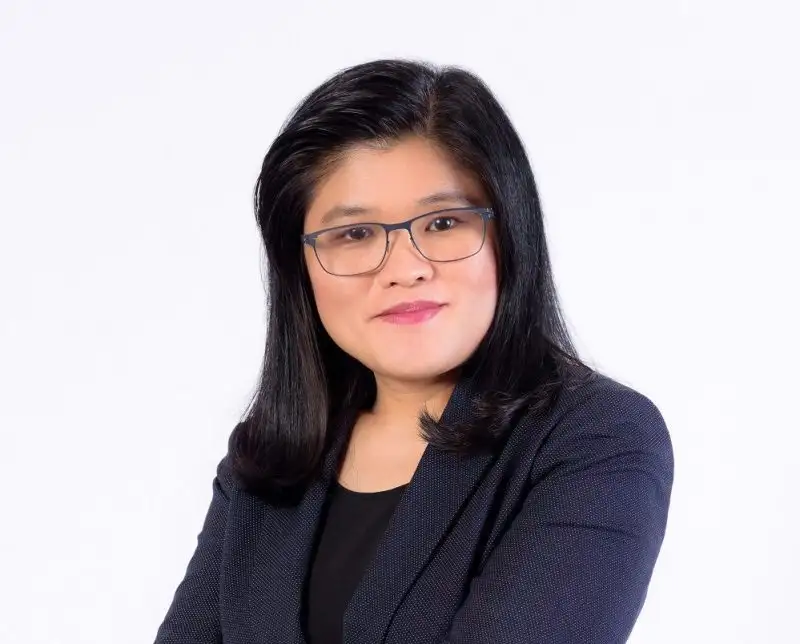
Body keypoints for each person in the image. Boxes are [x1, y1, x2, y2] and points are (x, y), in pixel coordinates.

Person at [153, 58, 674, 644]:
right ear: (300, 268)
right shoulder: (268, 457)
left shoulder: (594, 437)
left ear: (510, 234)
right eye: (354, 233)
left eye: (444, 222)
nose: (405, 268)